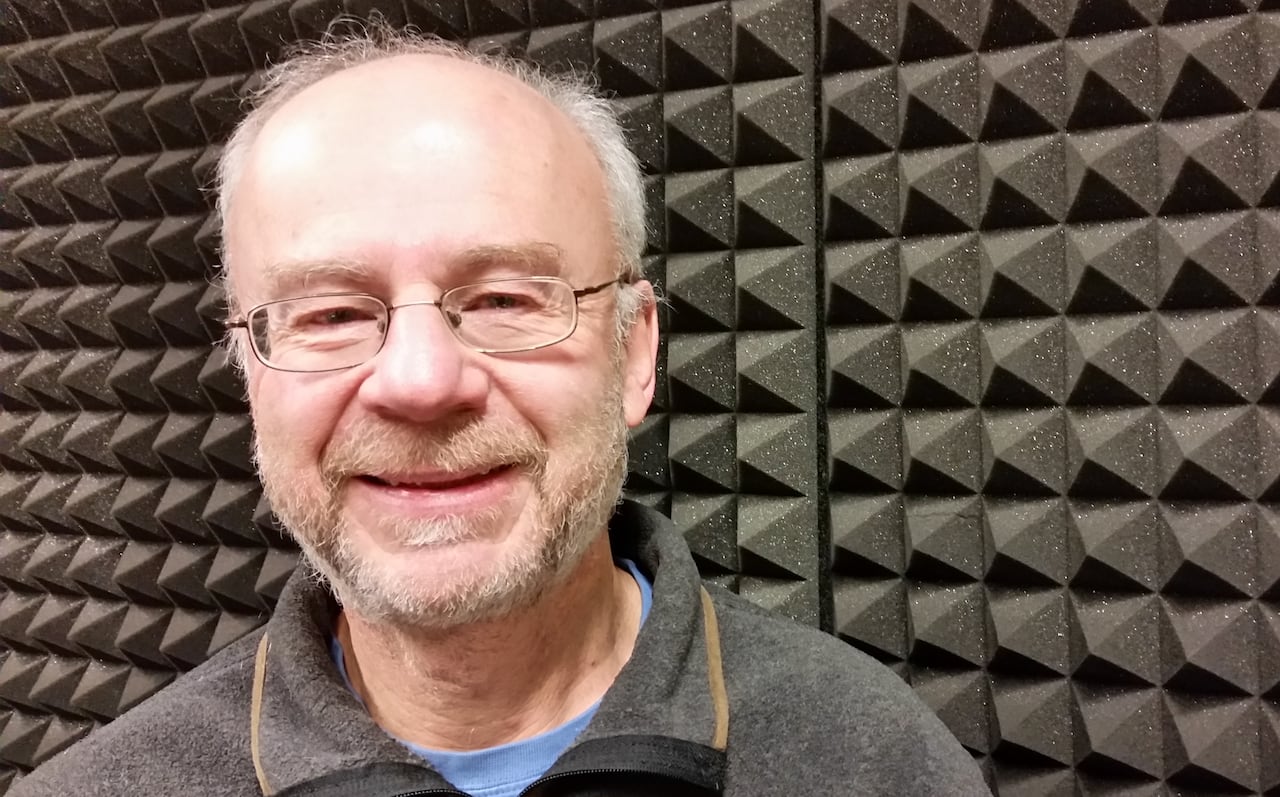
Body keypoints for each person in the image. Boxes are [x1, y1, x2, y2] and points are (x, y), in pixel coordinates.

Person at [13, 23, 991, 797]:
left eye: (504, 299)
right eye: (329, 312)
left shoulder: (875, 761)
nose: (419, 381)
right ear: (248, 363)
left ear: (635, 351)